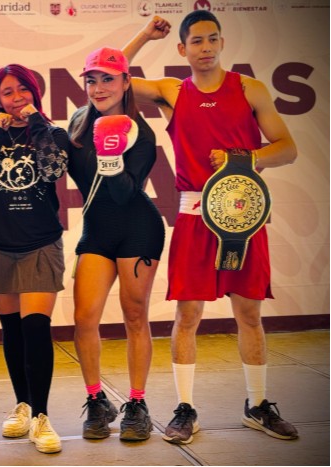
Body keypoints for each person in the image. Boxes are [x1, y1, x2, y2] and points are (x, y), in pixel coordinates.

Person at [123, 11, 299, 444]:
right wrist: (145, 34)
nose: (206, 48)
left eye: (212, 39)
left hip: (243, 215)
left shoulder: (249, 89)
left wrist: (243, 158)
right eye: (197, 41)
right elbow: (112, 75)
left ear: (222, 43)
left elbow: (287, 148)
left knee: (250, 313)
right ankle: (185, 409)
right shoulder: (172, 92)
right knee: (187, 315)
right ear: (182, 49)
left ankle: (258, 405)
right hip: (194, 213)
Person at [0, 64, 69, 454]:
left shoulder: (52, 132)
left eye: (22, 89)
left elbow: (54, 170)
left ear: (35, 93)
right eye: (7, 92)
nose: (16, 98)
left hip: (40, 244)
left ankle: (41, 416)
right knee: (12, 331)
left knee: (36, 329)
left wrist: (38, 125)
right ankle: (22, 405)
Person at [68, 47, 165, 442]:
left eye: (108, 79)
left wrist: (111, 154)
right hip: (97, 230)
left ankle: (137, 404)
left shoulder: (142, 133)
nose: (99, 87)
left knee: (135, 315)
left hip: (138, 228)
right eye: (92, 80)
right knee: (84, 318)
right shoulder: (78, 123)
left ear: (127, 82)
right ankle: (96, 400)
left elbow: (125, 194)